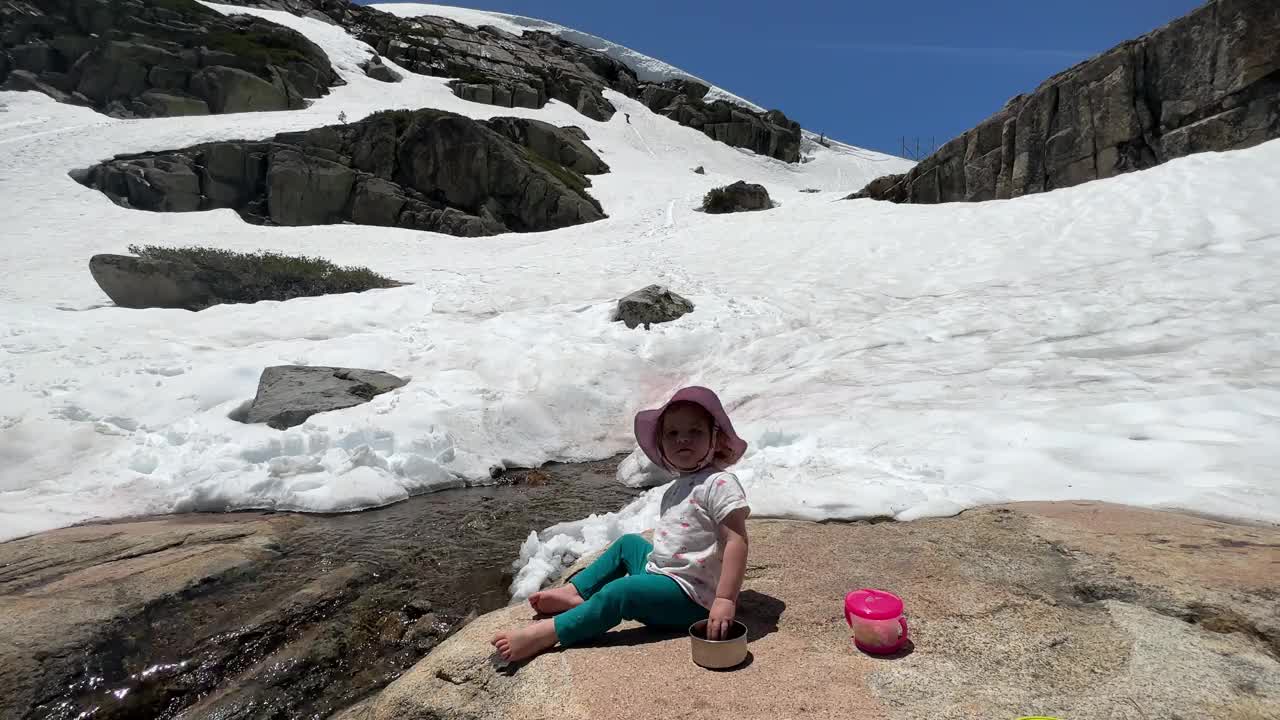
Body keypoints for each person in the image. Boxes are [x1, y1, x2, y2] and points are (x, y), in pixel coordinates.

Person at [491, 386, 751, 662]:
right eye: (672, 434)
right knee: (628, 544)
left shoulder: (719, 483)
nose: (682, 440)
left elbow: (735, 540)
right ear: (661, 444)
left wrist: (724, 600)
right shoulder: (677, 487)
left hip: (693, 598)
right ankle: (575, 593)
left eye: (695, 432)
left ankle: (548, 633)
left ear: (715, 438)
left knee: (620, 592)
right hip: (662, 575)